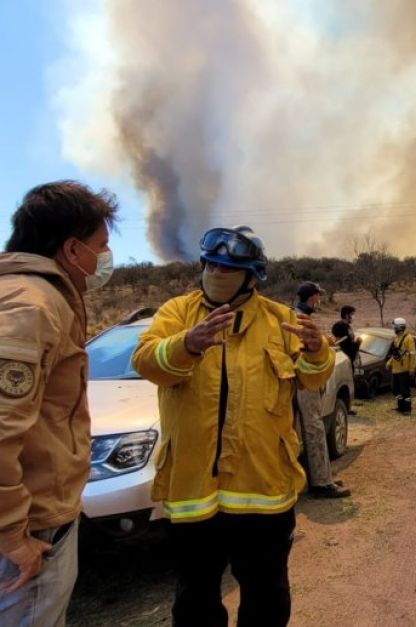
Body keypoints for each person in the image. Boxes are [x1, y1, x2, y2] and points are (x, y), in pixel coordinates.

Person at [131, 227, 335, 626]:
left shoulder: (281, 319)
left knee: (267, 598)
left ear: (252, 276)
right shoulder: (176, 313)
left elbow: (312, 379)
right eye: (210, 265)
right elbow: (145, 361)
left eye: (227, 268)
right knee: (195, 602)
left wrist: (317, 351)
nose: (215, 273)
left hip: (263, 493)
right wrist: (186, 344)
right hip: (193, 494)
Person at [0, 181, 118, 625]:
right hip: (31, 528)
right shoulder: (33, 307)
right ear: (72, 249)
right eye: (100, 246)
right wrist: (11, 533)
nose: (104, 258)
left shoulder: (19, 296)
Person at [294, 282, 351, 499]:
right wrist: (324, 343)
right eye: (318, 296)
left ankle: (321, 477)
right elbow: (301, 349)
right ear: (312, 297)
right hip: (303, 380)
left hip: (305, 378)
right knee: (314, 427)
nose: (319, 301)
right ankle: (321, 483)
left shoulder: (299, 315)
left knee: (313, 427)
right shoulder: (299, 318)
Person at [385, 317, 416, 413]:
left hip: (404, 370)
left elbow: (413, 354)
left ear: (398, 327)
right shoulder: (396, 339)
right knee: (396, 390)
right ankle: (401, 407)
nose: (393, 329)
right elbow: (395, 355)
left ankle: (407, 409)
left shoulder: (408, 338)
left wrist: (412, 368)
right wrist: (389, 363)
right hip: (396, 370)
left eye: (394, 327)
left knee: (405, 391)